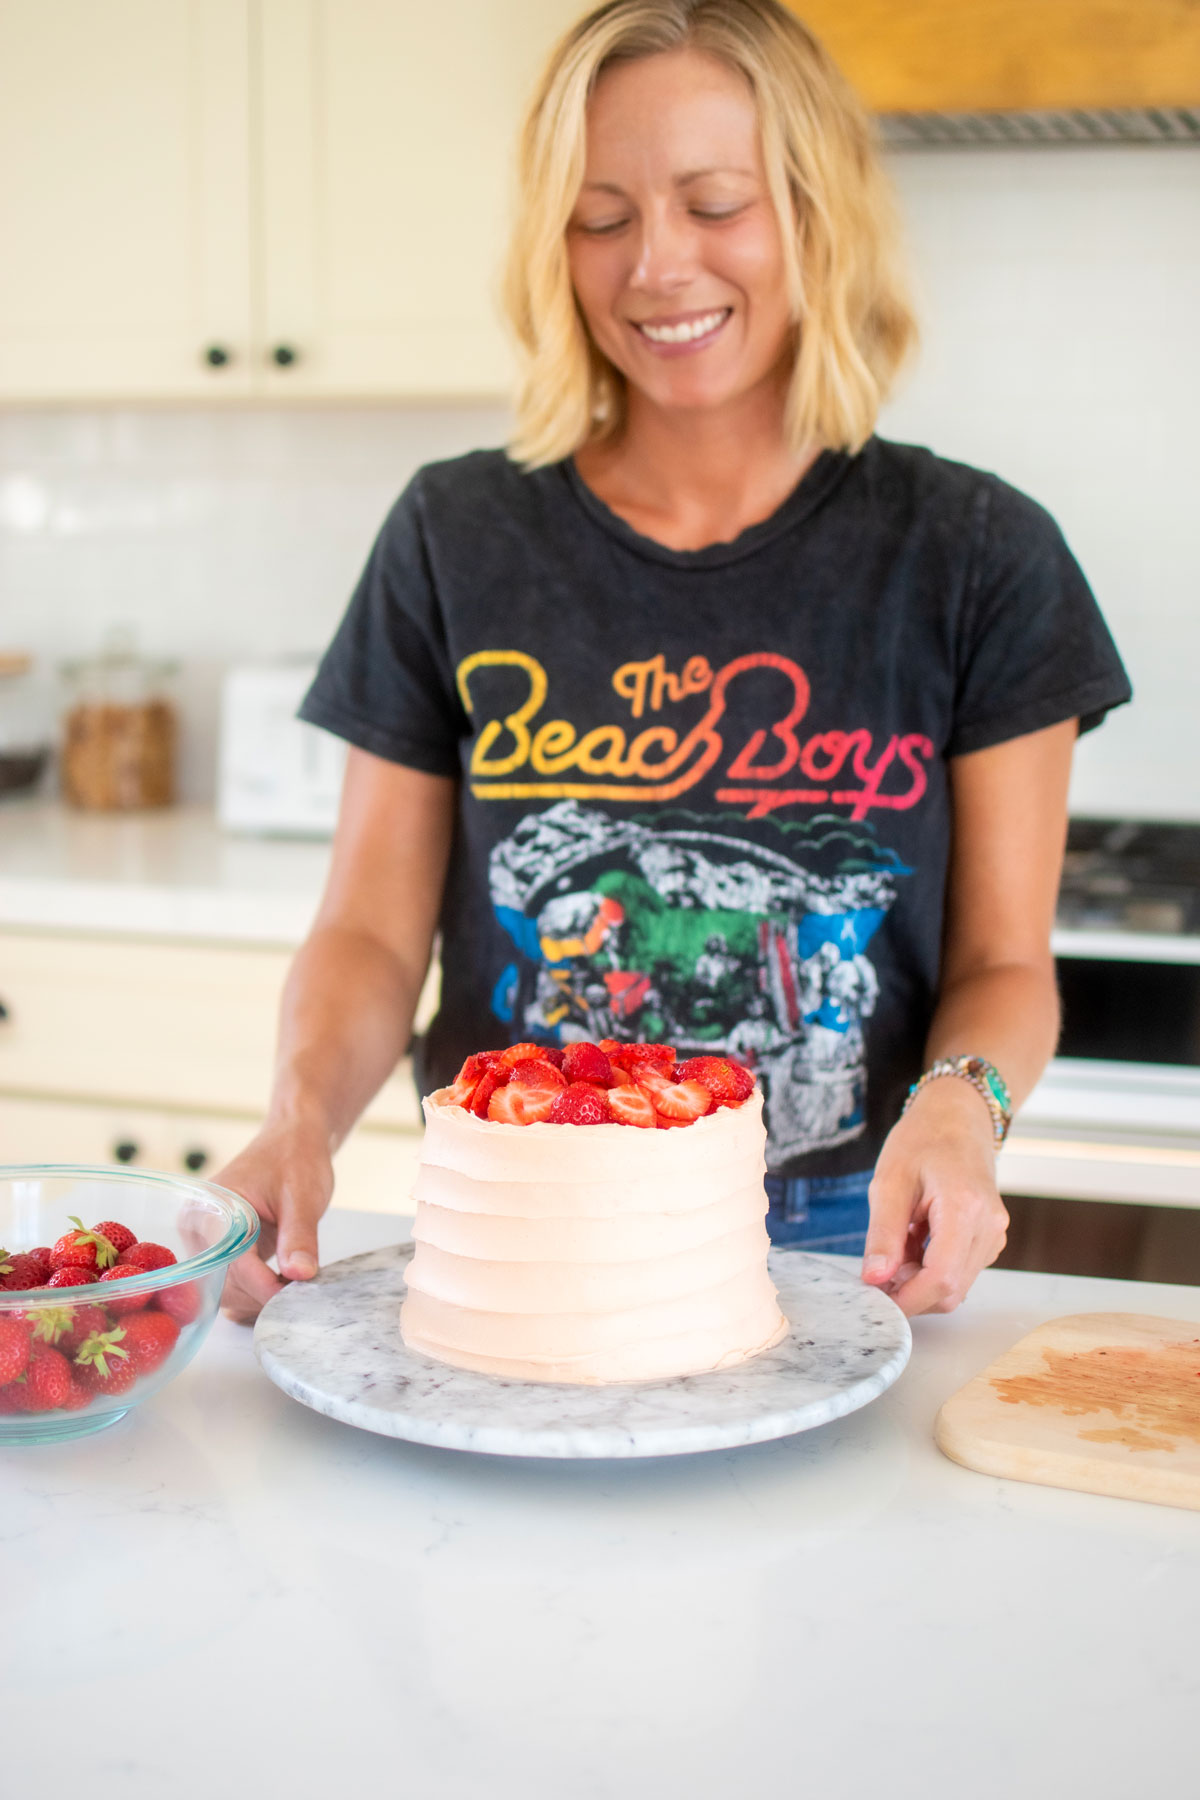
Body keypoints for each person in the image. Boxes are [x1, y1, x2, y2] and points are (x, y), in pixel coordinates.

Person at [217, 0, 1130, 1325]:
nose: (656, 265)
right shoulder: (453, 534)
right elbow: (366, 930)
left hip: (837, 1223)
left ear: (815, 214)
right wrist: (297, 1121)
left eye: (714, 203)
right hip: (515, 1208)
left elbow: (1004, 964)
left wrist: (962, 1106)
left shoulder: (978, 553)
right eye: (602, 218)